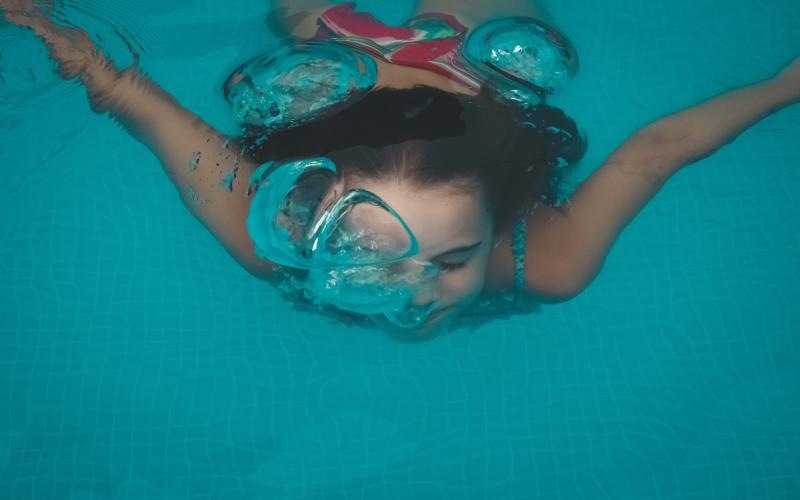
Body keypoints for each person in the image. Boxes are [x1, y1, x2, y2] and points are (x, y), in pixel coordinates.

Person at [2, 0, 798, 342]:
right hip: (380, 74)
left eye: (453, 259)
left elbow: (132, 99)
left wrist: (783, 85)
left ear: (501, 223)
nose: (418, 291)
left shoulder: (546, 255)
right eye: (381, 254)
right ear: (316, 214)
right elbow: (137, 105)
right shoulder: (284, 231)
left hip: (435, 64)